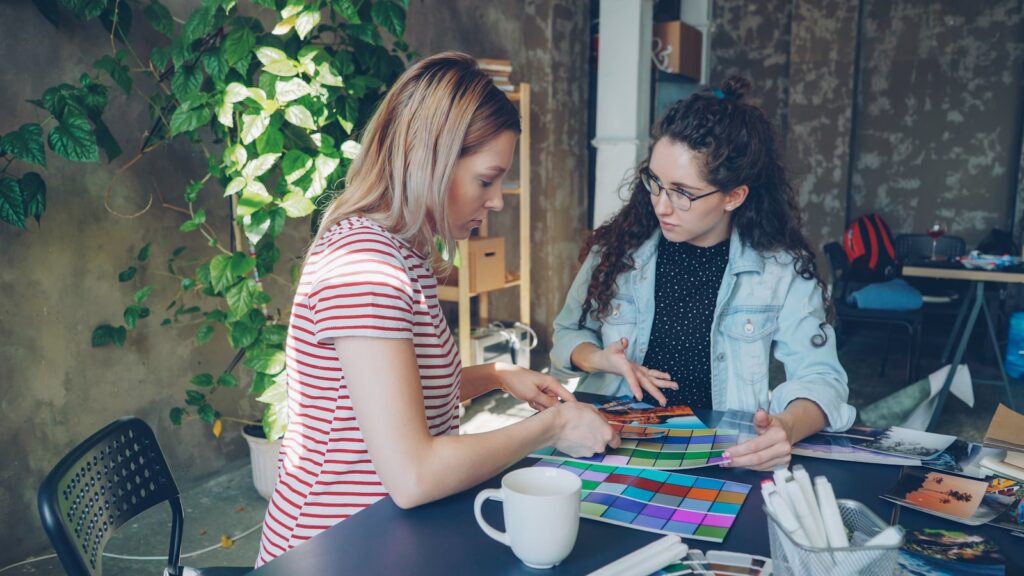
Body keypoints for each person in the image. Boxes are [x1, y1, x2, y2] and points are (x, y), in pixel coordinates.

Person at [257, 52, 618, 565]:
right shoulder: (366, 268)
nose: (496, 201)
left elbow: (404, 390)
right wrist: (553, 427)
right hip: (331, 545)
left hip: (382, 533)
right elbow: (413, 475)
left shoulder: (403, 252)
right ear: (430, 161)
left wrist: (497, 374)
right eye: (486, 180)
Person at [550, 76, 855, 471]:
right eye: (655, 183)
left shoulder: (779, 273)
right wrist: (601, 360)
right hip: (614, 445)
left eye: (683, 193)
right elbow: (567, 335)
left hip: (721, 456)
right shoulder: (617, 250)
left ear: (734, 196)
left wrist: (787, 426)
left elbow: (823, 378)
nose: (660, 205)